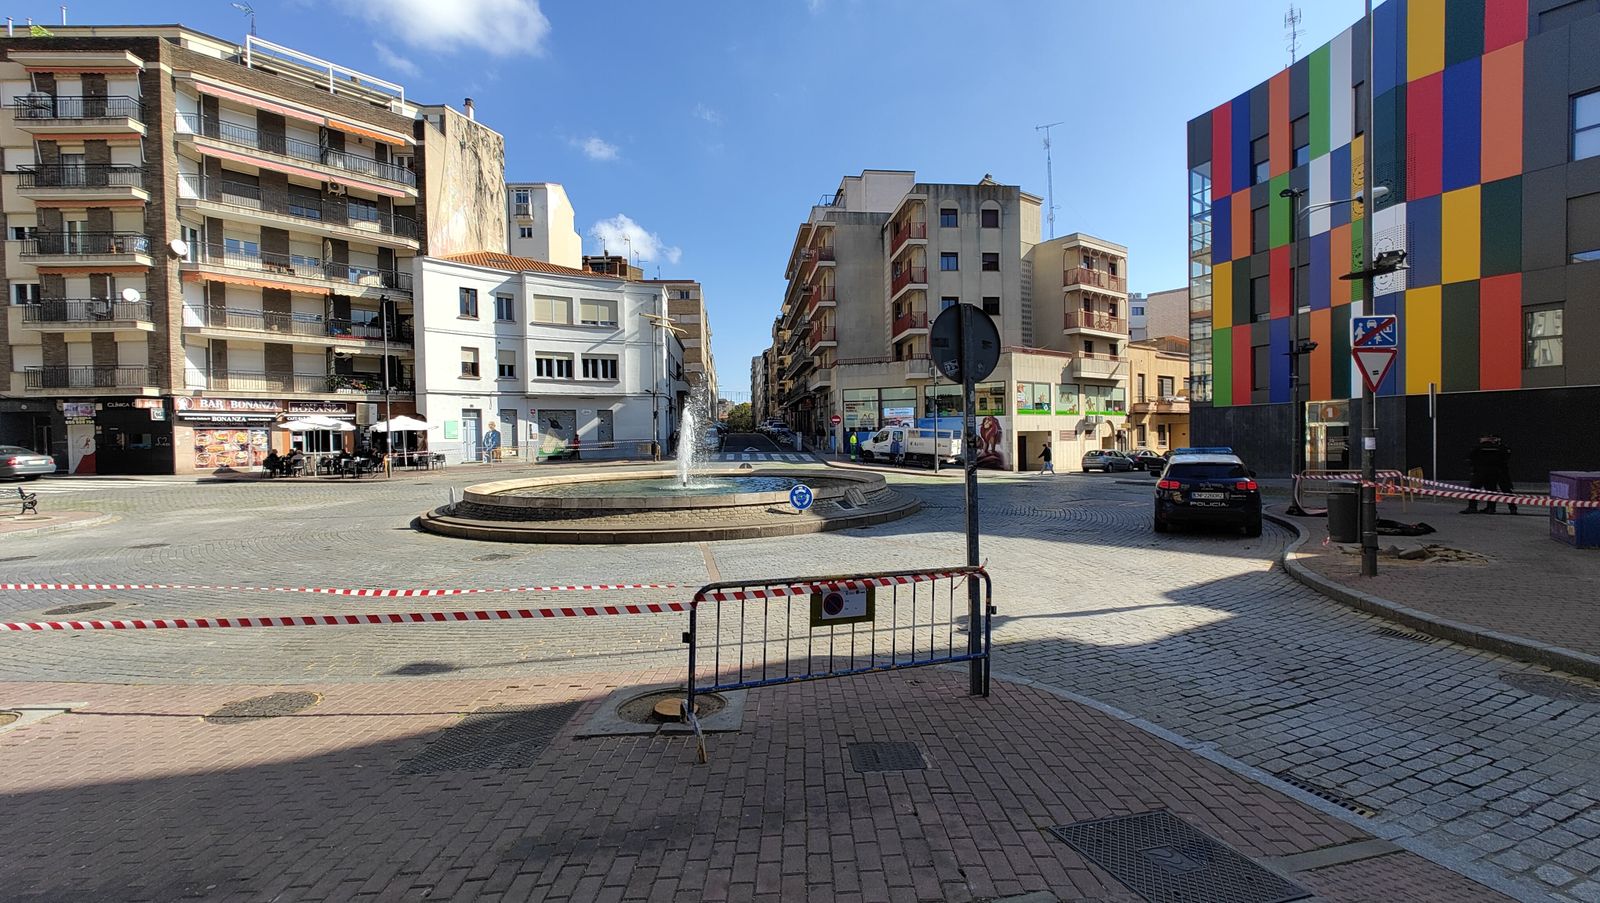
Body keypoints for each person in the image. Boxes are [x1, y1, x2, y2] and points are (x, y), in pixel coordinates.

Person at [1462, 435, 1512, 514]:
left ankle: (1472, 507)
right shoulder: (1498, 448)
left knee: (1473, 489)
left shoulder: (1478, 447)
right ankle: (1491, 508)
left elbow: (1470, 457)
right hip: (1494, 472)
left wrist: (1473, 466)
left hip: (1479, 472)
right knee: (1491, 490)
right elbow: (1505, 458)